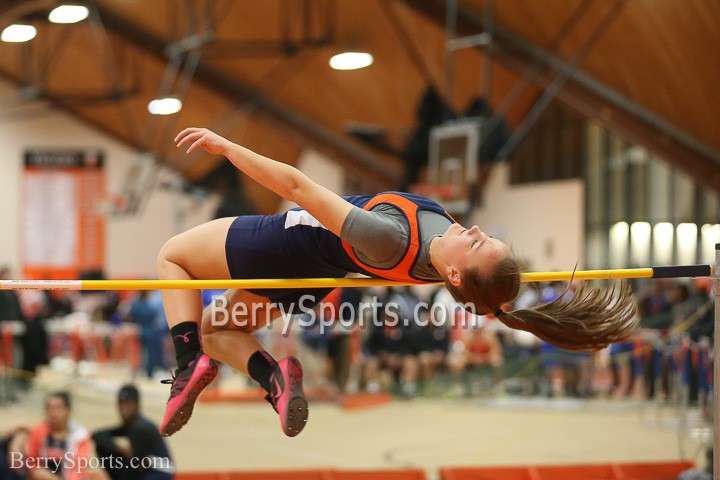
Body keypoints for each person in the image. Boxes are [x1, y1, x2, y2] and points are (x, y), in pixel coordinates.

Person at [155, 127, 639, 438]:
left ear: (452, 274)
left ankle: (185, 366)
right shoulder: (458, 268)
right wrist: (515, 304)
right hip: (319, 277)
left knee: (171, 256)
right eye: (485, 236)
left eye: (475, 245)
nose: (472, 230)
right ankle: (276, 379)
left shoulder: (387, 238)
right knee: (217, 329)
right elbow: (491, 302)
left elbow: (297, 187)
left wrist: (227, 148)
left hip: (283, 246)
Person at [92, 385, 174, 480]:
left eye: (128, 403)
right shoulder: (130, 427)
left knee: (130, 464)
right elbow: (97, 435)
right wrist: (120, 449)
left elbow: (135, 463)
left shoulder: (143, 428)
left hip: (159, 474)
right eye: (121, 403)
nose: (123, 408)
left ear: (137, 404)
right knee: (103, 447)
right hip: (146, 471)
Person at [25, 391, 92, 480]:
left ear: (68, 410)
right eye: (49, 408)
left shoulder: (79, 435)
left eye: (58, 408)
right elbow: (31, 462)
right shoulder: (38, 431)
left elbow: (78, 468)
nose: (53, 412)